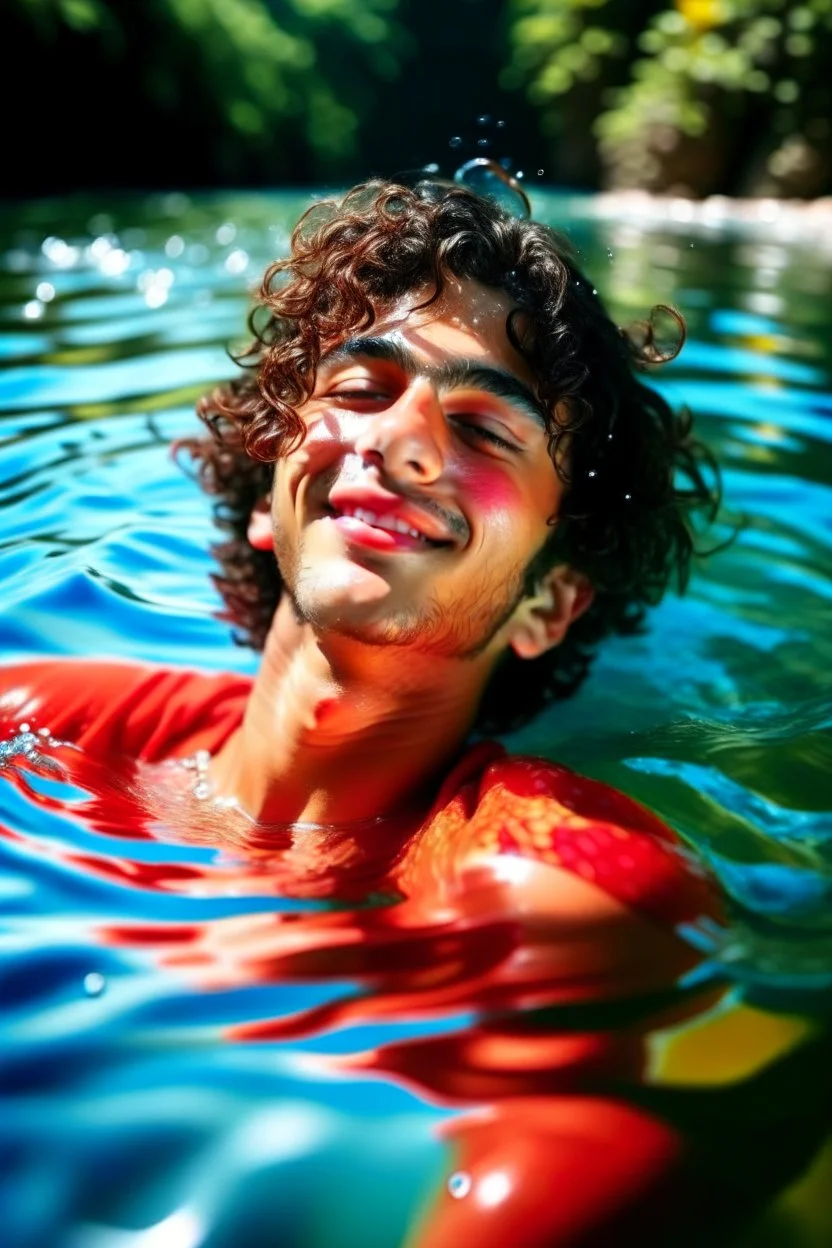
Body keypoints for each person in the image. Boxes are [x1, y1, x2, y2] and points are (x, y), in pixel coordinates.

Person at [1, 177, 743, 1245]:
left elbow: (596, 1150)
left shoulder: (547, 891)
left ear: (549, 603)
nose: (398, 441)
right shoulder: (53, 731)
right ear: (269, 498)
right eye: (359, 385)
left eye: (486, 428)